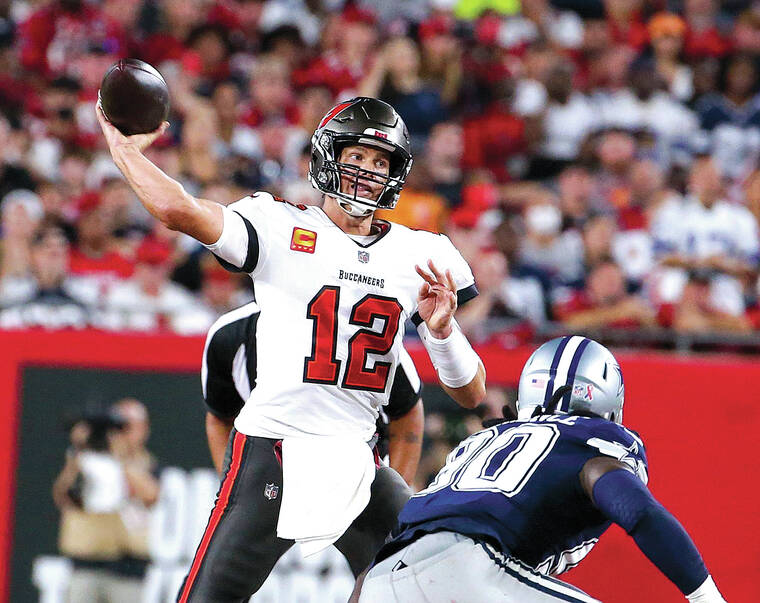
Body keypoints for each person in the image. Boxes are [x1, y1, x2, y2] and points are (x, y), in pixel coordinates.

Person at [96, 96, 486, 601]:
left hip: (358, 460)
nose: (368, 172)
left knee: (427, 585)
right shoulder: (281, 227)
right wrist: (124, 150)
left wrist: (442, 333)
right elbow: (179, 210)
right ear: (328, 156)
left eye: (381, 161)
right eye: (358, 156)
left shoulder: (424, 254)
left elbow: (472, 396)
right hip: (276, 449)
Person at [355, 337, 726, 603]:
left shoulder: (479, 442)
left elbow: (379, 560)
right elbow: (636, 509)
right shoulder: (592, 441)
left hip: (382, 581)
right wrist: (705, 594)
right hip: (472, 569)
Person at [201, 301, 424, 485]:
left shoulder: (364, 331)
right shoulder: (232, 335)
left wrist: (395, 500)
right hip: (273, 476)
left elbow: (407, 412)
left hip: (358, 474)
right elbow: (220, 418)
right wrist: (235, 485)